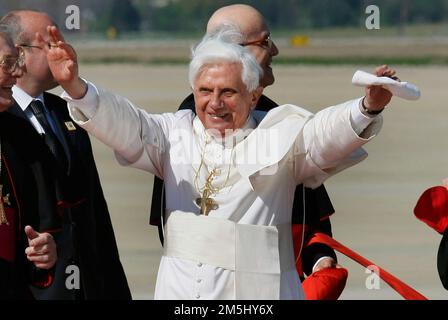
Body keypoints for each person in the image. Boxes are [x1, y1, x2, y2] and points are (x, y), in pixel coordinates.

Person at [41, 24, 396, 299]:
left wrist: (367, 108)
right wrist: (75, 87)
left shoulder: (279, 135)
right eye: (205, 92)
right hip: (181, 294)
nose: (215, 103)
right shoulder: (173, 133)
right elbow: (124, 123)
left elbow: (324, 134)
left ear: (254, 94)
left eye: (228, 92)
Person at [150, 4, 339, 280]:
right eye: (265, 42)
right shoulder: (188, 124)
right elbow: (178, 232)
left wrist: (319, 257)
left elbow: (307, 209)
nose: (274, 50)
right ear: (235, 50)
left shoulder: (274, 114)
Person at [0, 10, 131, 300]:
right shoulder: (5, 119)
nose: (62, 51)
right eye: (50, 44)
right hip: (34, 287)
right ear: (19, 54)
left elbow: (95, 210)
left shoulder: (67, 112)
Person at [0, 26, 57, 299]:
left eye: (18, 63)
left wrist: (45, 250)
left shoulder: (23, 136)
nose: (18, 73)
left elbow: (42, 227)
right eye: (8, 64)